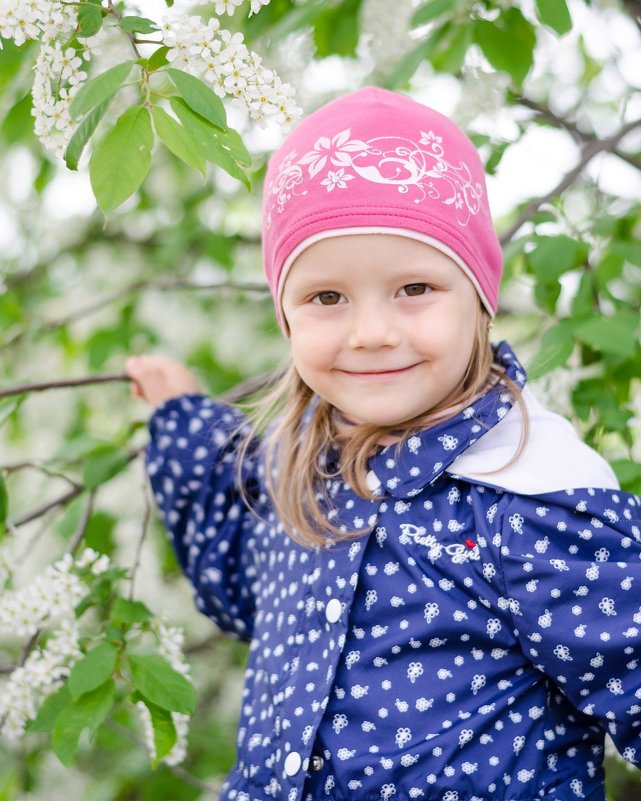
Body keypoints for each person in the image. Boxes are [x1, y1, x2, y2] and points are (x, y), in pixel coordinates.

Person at [127, 87, 641, 801]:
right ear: (285, 316)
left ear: (478, 299)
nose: (371, 332)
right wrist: (182, 418)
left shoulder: (527, 492)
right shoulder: (293, 479)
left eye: (413, 286)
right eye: (327, 298)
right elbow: (233, 566)